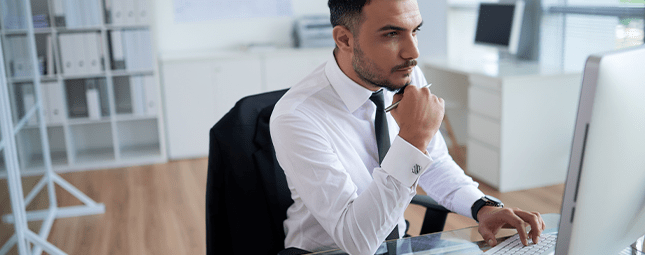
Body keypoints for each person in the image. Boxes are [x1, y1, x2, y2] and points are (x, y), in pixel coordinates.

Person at [270, 0, 545, 254]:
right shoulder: (296, 116)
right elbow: (357, 241)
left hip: (399, 245)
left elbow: (434, 163)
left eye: (415, 31)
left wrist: (481, 206)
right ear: (345, 39)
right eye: (391, 34)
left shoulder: (405, 74)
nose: (413, 52)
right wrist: (413, 140)